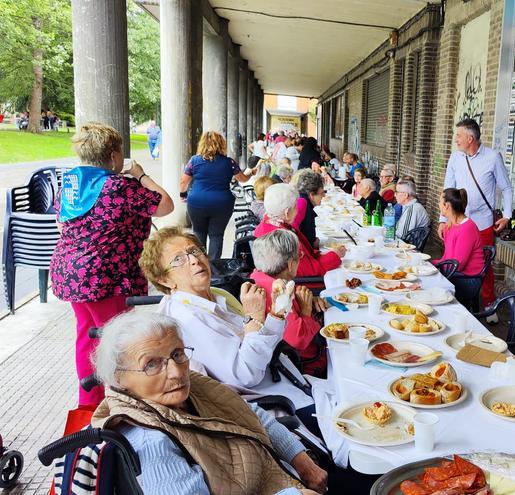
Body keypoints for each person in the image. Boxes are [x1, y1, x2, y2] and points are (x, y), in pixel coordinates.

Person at [91, 312, 326, 495]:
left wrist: (302, 461)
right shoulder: (152, 442)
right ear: (119, 379)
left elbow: (251, 413)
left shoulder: (191, 384)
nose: (175, 372)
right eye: (151, 364)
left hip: (283, 473)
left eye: (177, 354)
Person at [140, 227, 317, 425]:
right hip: (275, 404)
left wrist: (276, 314)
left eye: (194, 251)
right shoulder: (189, 318)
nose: (194, 260)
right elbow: (245, 375)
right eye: (178, 259)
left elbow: (259, 343)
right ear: (165, 280)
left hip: (286, 378)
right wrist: (253, 317)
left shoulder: (213, 297)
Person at [50, 122, 174, 406]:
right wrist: (142, 175)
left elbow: (61, 225)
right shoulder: (119, 187)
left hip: (71, 273)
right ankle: (119, 401)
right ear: (115, 156)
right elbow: (165, 205)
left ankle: (89, 401)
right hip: (107, 278)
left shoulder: (70, 185)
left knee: (87, 335)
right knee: (116, 339)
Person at [440, 119, 513, 310]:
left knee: (483, 265)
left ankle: (489, 304)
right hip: (456, 221)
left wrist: (507, 215)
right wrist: (443, 219)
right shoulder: (456, 158)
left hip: (482, 222)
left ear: (470, 138)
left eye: (459, 136)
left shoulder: (492, 157)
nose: (456, 140)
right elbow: (447, 189)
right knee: (452, 259)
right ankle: (450, 298)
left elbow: (506, 187)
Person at [250, 230, 329, 376]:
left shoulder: (259, 277)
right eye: (299, 256)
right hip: (308, 365)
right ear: (291, 264)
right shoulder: (277, 294)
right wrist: (306, 310)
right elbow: (298, 340)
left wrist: (308, 300)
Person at [180, 131, 253, 260]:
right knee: (217, 235)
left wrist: (183, 194)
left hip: (197, 202)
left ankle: (199, 265)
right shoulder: (229, 162)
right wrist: (251, 173)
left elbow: (184, 181)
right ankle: (214, 270)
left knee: (198, 233)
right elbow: (243, 179)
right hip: (222, 204)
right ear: (221, 144)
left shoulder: (194, 161)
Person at [254, 184, 345, 279]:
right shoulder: (281, 237)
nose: (297, 210)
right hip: (303, 284)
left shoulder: (269, 223)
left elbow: (304, 255)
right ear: (287, 212)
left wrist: (320, 254)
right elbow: (310, 270)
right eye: (295, 207)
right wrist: (335, 256)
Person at [434, 188, 484, 275]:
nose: (439, 204)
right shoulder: (449, 225)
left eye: (440, 202)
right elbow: (447, 257)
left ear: (446, 205)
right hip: (452, 271)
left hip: (467, 277)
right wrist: (431, 264)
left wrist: (435, 267)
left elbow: (458, 265)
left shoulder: (467, 228)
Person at [292, 170, 325, 250]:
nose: (324, 196)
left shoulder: (303, 200)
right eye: (321, 193)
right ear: (311, 195)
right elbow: (292, 232)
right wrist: (311, 244)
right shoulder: (302, 203)